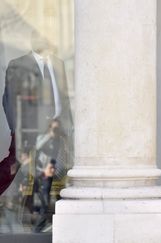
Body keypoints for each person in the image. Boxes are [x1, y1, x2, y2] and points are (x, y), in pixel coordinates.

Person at [1, 30, 72, 195]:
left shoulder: (58, 64)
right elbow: (9, 100)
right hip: (27, 131)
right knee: (12, 167)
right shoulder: (18, 64)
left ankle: (38, 215)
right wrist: (16, 130)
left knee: (46, 173)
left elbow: (64, 98)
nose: (39, 40)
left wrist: (68, 126)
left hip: (54, 130)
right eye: (35, 36)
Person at [32, 159, 56, 233]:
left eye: (54, 168)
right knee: (38, 227)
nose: (52, 170)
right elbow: (35, 193)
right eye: (50, 168)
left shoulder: (54, 179)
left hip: (49, 207)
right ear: (44, 168)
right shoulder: (38, 179)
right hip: (43, 207)